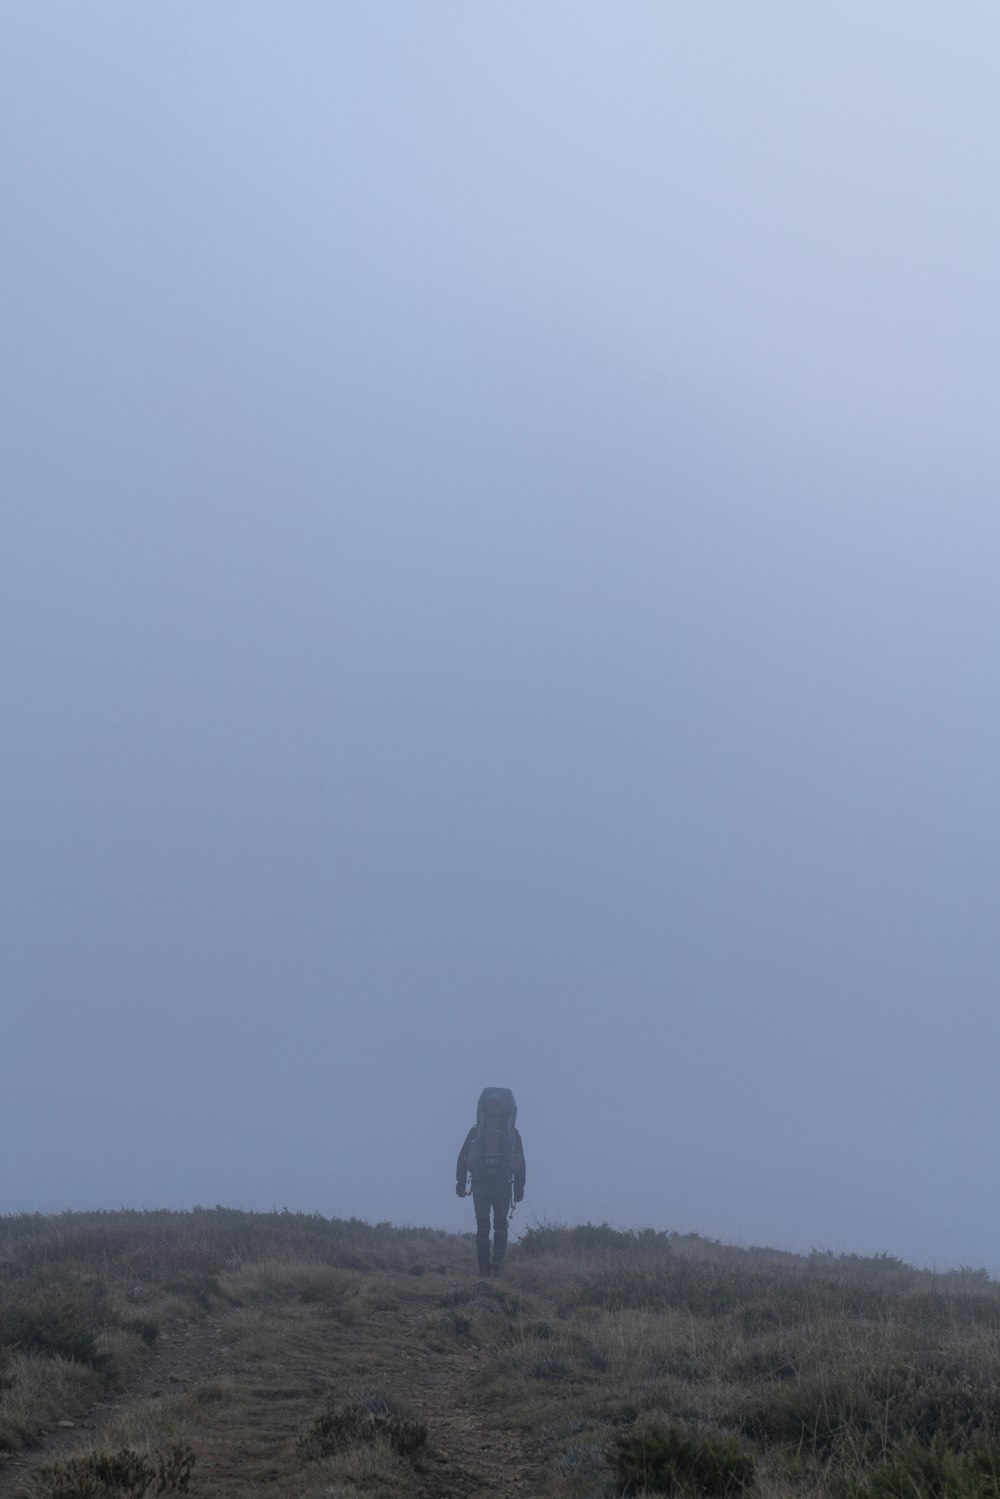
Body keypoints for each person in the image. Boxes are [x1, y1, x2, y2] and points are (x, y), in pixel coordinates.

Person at [456, 1088, 526, 1276]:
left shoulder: (476, 1131)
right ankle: (497, 1266)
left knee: (482, 1226)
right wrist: (519, 1189)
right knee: (501, 1226)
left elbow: (462, 1157)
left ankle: (483, 1268)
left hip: (480, 1185)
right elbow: (521, 1162)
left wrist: (461, 1184)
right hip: (503, 1186)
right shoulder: (512, 1132)